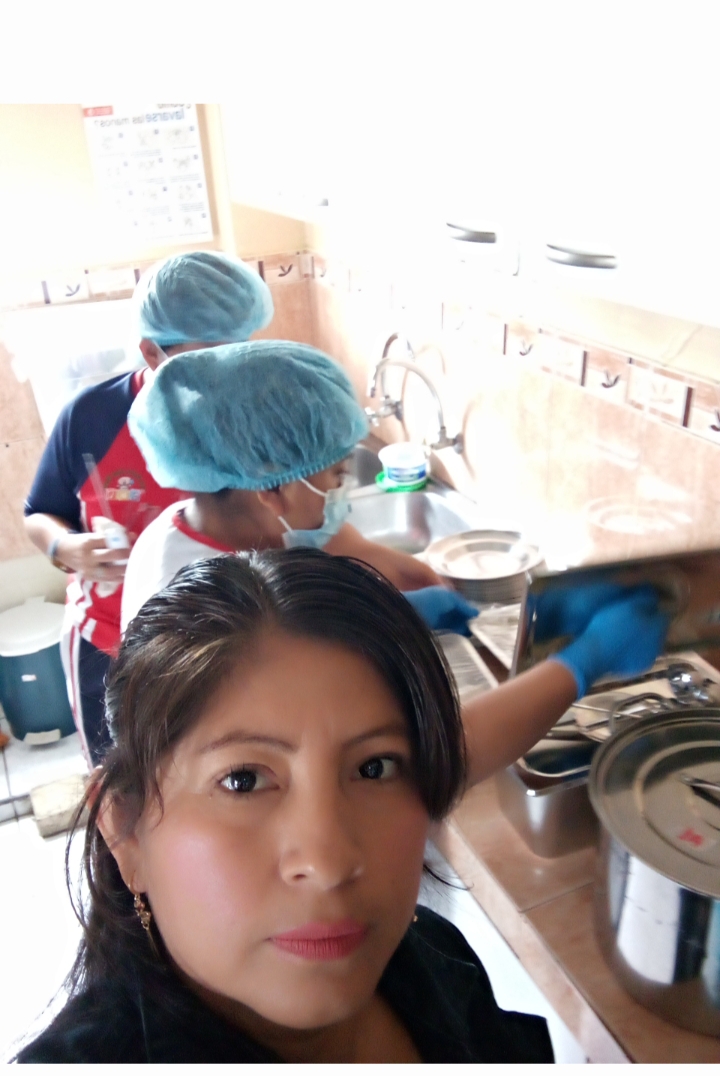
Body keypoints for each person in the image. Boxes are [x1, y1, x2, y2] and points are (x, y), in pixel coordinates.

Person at [14, 551, 668, 1063]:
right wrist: (582, 664)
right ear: (125, 830)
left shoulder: (430, 955)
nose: (328, 862)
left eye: (373, 767)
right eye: (243, 780)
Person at [23, 252, 273, 764]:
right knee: (120, 777)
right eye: (208, 357)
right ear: (151, 353)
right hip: (107, 641)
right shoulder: (91, 417)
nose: (228, 371)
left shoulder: (250, 416)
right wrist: (67, 548)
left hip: (221, 642)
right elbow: (39, 513)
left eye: (239, 350)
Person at [120, 340, 446, 631]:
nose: (343, 493)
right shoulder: (199, 607)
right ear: (274, 489)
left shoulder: (235, 519)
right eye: (338, 475)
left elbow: (347, 546)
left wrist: (425, 579)